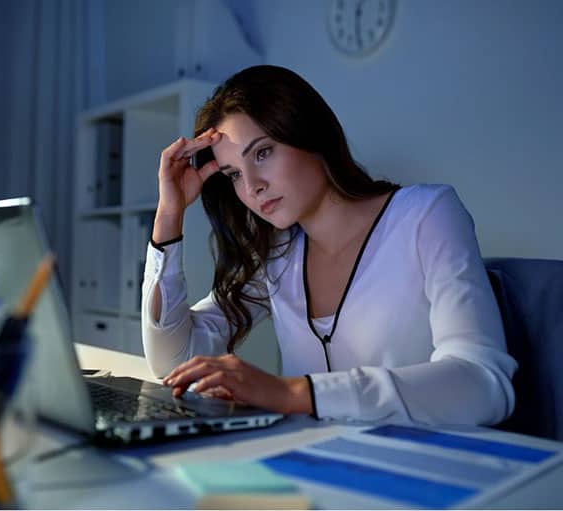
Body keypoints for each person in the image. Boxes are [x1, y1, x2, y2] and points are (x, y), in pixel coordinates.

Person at [141, 65, 517, 426]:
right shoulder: (278, 255)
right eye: (234, 174)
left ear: (310, 134)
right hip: (315, 467)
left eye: (263, 152)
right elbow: (172, 359)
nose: (252, 185)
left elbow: (483, 384)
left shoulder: (426, 215)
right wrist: (169, 215)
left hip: (424, 473)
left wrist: (293, 393)